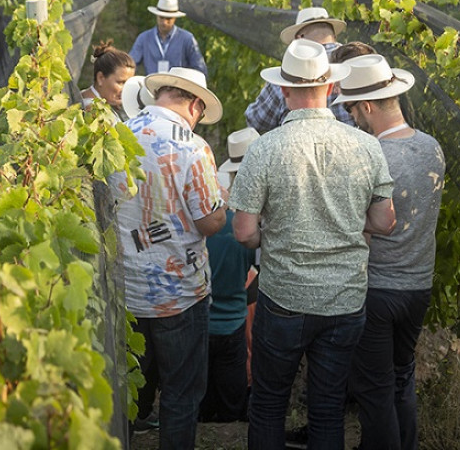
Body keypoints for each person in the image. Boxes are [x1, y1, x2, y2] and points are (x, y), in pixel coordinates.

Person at [229, 40, 397, 450]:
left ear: (284, 91)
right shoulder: (367, 146)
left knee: (269, 403)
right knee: (327, 408)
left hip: (284, 296)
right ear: (332, 89)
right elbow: (384, 222)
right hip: (344, 300)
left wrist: (277, 235)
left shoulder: (264, 149)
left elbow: (243, 231)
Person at [334, 55, 445, 450]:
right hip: (418, 286)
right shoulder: (432, 148)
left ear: (367, 106)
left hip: (377, 287)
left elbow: (359, 223)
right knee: (402, 377)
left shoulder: (370, 155)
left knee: (374, 388)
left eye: (351, 107)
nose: (351, 116)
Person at [114, 66, 227, 449]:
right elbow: (209, 222)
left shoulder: (118, 134)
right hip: (179, 293)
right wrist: (221, 204)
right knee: (180, 393)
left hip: (125, 288)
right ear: (195, 104)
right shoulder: (192, 147)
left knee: (129, 389)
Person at [200, 127, 260, 424]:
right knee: (233, 388)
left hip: (204, 317)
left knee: (204, 383)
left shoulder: (211, 217)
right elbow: (254, 272)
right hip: (236, 319)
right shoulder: (248, 228)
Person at [244, 7, 352, 133]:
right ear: (333, 35)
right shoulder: (356, 63)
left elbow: (257, 120)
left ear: (299, 38)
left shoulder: (288, 74)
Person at [130, 0, 207, 76]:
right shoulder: (144, 38)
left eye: (168, 19)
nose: (164, 22)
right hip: (151, 85)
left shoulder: (187, 39)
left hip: (178, 86)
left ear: (175, 18)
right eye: (161, 17)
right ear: (156, 16)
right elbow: (131, 64)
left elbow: (200, 69)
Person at [80, 40, 136, 120]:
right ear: (101, 78)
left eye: (128, 83)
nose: (125, 89)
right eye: (120, 82)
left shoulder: (84, 98)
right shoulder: (94, 112)